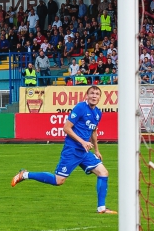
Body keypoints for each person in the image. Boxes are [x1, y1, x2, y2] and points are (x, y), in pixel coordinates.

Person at [11, 85, 116, 214]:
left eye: (97, 94)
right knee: (58, 180)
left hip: (84, 152)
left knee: (103, 173)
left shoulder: (98, 113)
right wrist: (83, 141)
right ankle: (25, 175)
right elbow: (66, 128)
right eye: (92, 93)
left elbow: (93, 131)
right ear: (87, 96)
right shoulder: (80, 108)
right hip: (72, 150)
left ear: (100, 97)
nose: (94, 96)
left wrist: (97, 151)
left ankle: (101, 209)